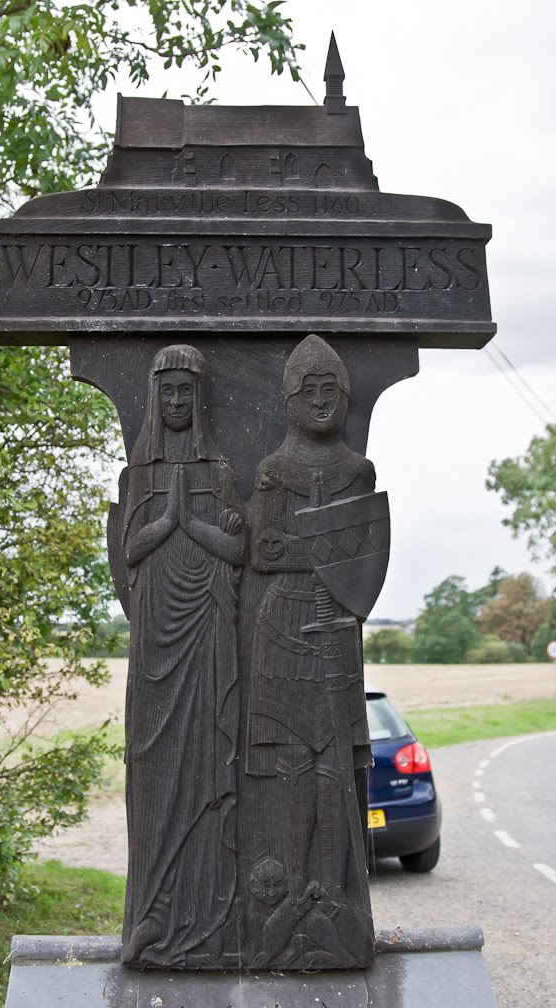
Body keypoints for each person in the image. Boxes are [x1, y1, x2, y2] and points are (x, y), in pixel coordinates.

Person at [247, 334, 373, 959]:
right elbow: (264, 551)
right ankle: (291, 888)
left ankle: (335, 892)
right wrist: (321, 551)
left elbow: (365, 555)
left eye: (331, 390)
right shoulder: (274, 470)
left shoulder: (358, 472)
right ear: (289, 399)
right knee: (292, 762)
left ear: (344, 396)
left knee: (333, 764)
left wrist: (329, 561)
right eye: (309, 390)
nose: (321, 401)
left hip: (336, 624)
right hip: (283, 624)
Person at [120, 344, 246, 968]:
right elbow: (129, 554)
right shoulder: (139, 474)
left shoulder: (219, 471)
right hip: (155, 646)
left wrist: (186, 522)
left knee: (207, 769)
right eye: (166, 392)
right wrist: (165, 515)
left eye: (184, 393)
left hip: (208, 638)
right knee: (155, 768)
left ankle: (209, 915)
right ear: (155, 397)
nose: (175, 402)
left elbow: (237, 551)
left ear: (198, 401)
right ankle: (151, 917)